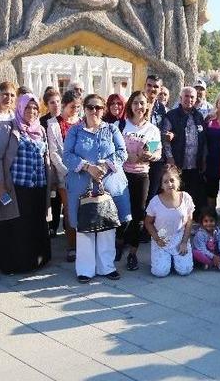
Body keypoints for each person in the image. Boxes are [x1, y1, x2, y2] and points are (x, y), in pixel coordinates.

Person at [63, 94, 133, 283]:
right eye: (91, 107)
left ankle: (106, 266)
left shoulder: (112, 129)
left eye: (99, 108)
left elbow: (122, 152)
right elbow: (66, 155)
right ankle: (85, 269)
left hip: (107, 186)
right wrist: (87, 166)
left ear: (103, 110)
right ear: (84, 109)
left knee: (107, 225)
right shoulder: (75, 131)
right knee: (84, 226)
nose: (95, 111)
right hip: (81, 185)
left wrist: (105, 165)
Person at [0, 93, 52, 274]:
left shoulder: (40, 130)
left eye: (35, 108)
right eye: (27, 107)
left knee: (35, 225)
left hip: (38, 187)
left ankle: (35, 262)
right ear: (20, 108)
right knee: (15, 226)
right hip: (16, 187)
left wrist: (51, 182)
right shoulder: (8, 128)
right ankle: (13, 264)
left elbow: (45, 157)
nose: (31, 111)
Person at [120, 90, 162, 271]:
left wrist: (149, 155)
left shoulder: (152, 130)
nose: (139, 106)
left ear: (147, 106)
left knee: (138, 214)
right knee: (121, 212)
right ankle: (119, 243)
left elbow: (157, 153)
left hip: (141, 175)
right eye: (136, 103)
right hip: (121, 175)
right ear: (130, 105)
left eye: (142, 103)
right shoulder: (122, 125)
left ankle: (133, 253)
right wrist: (126, 155)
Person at [46, 90, 80, 261]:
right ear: (65, 106)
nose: (75, 110)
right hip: (65, 175)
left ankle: (84, 243)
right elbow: (54, 153)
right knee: (68, 210)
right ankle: (71, 245)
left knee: (82, 209)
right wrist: (68, 171)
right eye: (72, 107)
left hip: (82, 173)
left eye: (78, 107)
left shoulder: (82, 123)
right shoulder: (53, 124)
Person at [162, 86, 207, 213]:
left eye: (192, 97)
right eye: (186, 96)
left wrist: (203, 160)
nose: (189, 99)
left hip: (195, 165)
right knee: (177, 196)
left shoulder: (199, 116)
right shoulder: (171, 115)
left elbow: (203, 141)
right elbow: (165, 138)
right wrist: (170, 159)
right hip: (177, 164)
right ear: (181, 98)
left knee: (193, 197)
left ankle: (191, 223)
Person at [145, 166, 195, 277]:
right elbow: (148, 222)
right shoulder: (155, 202)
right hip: (162, 238)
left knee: (185, 270)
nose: (169, 184)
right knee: (160, 272)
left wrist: (184, 242)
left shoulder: (186, 197)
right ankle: (166, 260)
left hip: (180, 237)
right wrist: (157, 239)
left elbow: (189, 221)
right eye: (165, 182)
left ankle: (176, 260)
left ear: (178, 181)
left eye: (172, 180)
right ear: (161, 185)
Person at [40, 89, 63, 238]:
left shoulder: (65, 119)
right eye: (52, 102)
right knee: (51, 197)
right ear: (47, 105)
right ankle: (51, 227)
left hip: (63, 165)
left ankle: (59, 226)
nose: (56, 105)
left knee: (61, 198)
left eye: (58, 101)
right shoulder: (42, 121)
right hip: (48, 165)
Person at [144, 74, 168, 207]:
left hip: (156, 157)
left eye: (155, 87)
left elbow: (159, 132)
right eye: (149, 85)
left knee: (152, 193)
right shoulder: (138, 103)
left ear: (160, 89)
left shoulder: (161, 108)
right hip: (137, 157)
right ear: (145, 86)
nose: (152, 89)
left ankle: (148, 224)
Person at [192, 207, 220, 271]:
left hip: (215, 254)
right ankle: (216, 264)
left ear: (216, 221)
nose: (209, 224)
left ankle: (215, 264)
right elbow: (202, 250)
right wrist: (213, 257)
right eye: (206, 221)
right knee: (195, 253)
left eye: (211, 221)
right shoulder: (200, 234)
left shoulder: (219, 233)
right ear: (202, 222)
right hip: (204, 254)